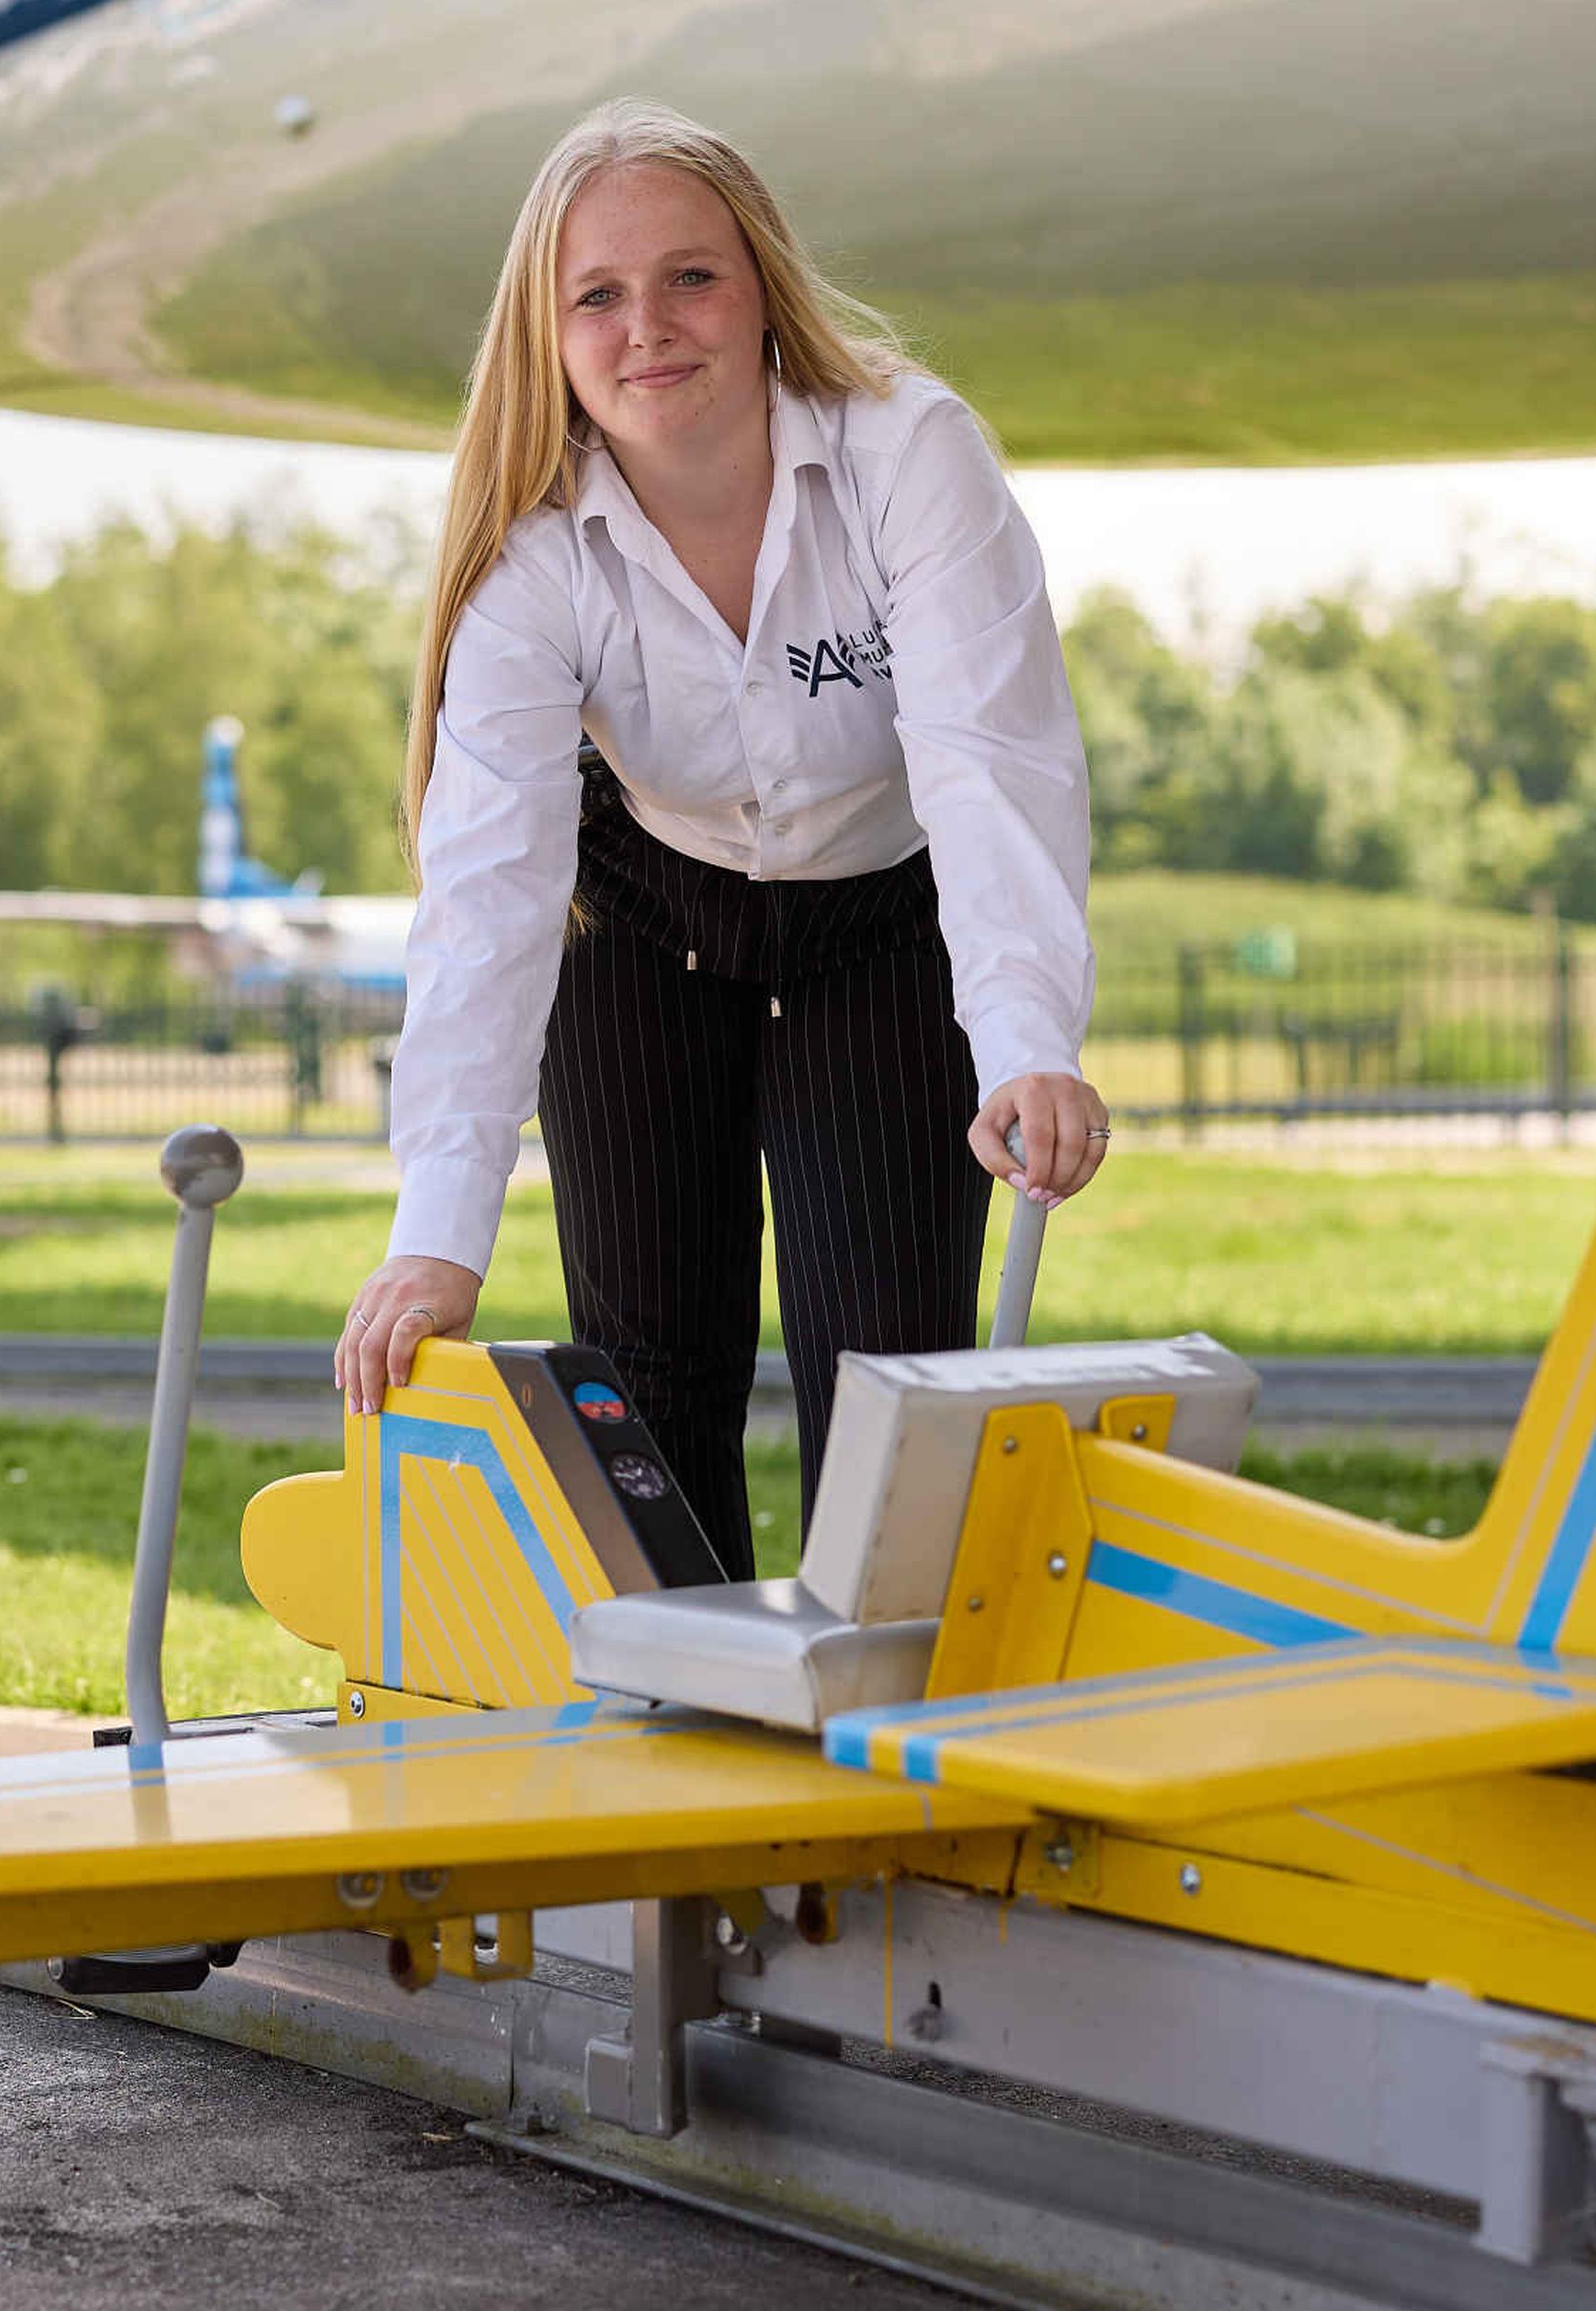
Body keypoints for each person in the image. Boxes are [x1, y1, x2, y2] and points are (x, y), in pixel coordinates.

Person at [332, 98, 1112, 1579]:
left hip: (881, 924)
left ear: (762, 287)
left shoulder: (911, 452)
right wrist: (437, 1233)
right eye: (597, 295)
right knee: (650, 1381)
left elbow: (989, 763)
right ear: (550, 336)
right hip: (641, 923)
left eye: (690, 276)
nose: (649, 327)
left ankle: (878, 1708)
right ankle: (680, 1709)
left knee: (888, 1375)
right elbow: (489, 898)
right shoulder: (532, 555)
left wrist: (1025, 1041)